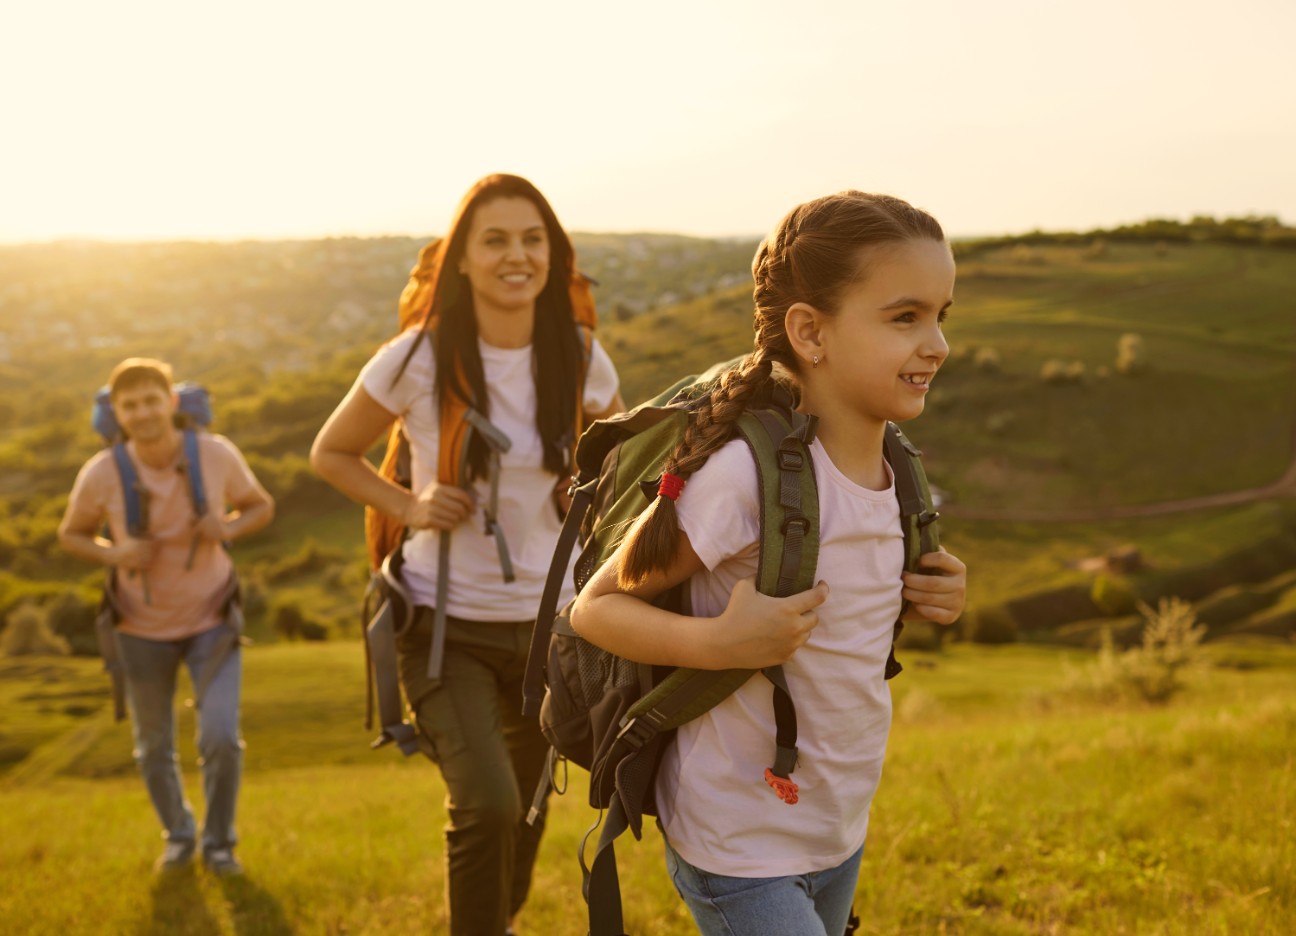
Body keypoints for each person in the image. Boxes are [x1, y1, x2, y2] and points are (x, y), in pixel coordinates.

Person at [570, 191, 968, 935]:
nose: (937, 344)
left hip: (835, 825)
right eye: (905, 317)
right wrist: (719, 643)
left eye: (941, 315)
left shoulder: (899, 469)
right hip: (737, 837)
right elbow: (595, 608)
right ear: (810, 332)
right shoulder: (742, 479)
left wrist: (932, 593)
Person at [311, 174, 623, 936]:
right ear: (461, 259)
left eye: (532, 239)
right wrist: (411, 505)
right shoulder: (418, 356)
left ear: (554, 255)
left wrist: (587, 490)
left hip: (551, 631)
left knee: (526, 808)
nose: (517, 255)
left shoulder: (581, 355)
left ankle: (496, 922)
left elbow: (625, 465)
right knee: (486, 805)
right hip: (443, 625)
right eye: (496, 240)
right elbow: (332, 452)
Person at [58, 357, 275, 876]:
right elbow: (71, 534)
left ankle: (219, 844)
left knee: (220, 737)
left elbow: (259, 505)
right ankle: (179, 836)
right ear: (117, 412)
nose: (142, 413)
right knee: (152, 747)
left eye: (151, 401)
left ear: (171, 402)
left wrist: (228, 528)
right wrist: (115, 553)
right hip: (138, 628)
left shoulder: (216, 454)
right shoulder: (102, 471)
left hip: (213, 619)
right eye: (130, 405)